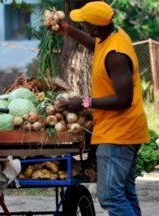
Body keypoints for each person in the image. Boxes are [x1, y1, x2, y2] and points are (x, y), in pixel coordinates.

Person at [55, 2, 150, 216]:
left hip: (119, 134)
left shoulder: (116, 55)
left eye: (84, 24)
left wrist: (85, 102)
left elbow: (123, 100)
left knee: (110, 197)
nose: (83, 26)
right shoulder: (112, 34)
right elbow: (94, 44)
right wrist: (69, 31)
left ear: (96, 27)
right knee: (125, 193)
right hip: (121, 131)